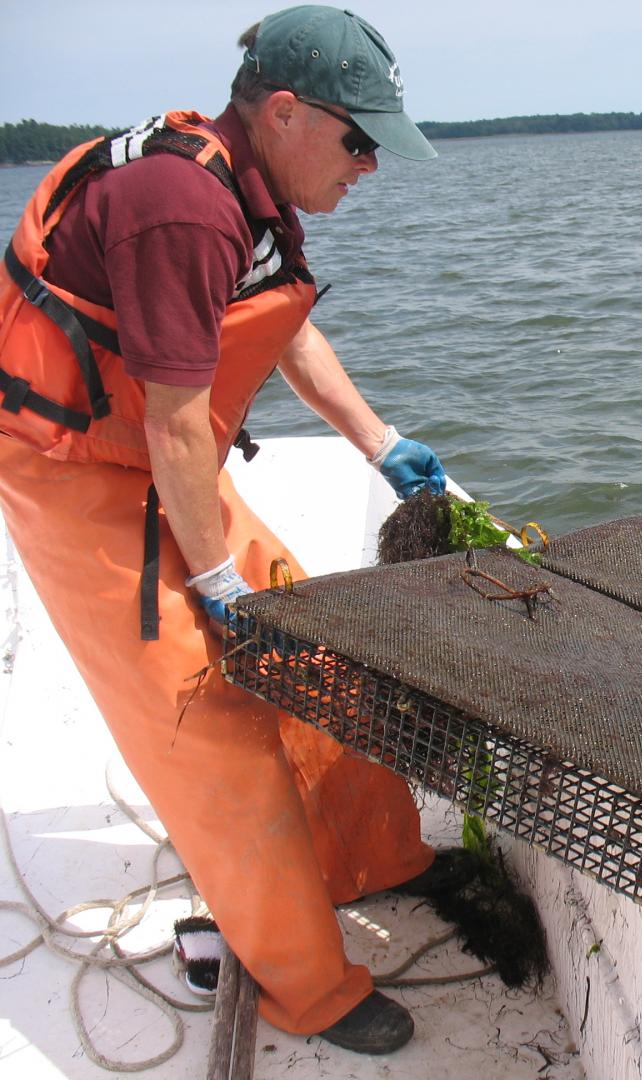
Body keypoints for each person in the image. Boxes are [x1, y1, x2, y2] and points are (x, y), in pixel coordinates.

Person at [0, 5, 466, 1056]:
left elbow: (282, 323)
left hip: (165, 461)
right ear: (289, 115)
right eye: (360, 142)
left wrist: (379, 442)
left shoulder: (243, 187)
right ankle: (309, 984)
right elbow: (172, 418)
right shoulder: (177, 208)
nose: (370, 168)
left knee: (316, 654)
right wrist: (215, 586)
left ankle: (380, 855)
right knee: (208, 723)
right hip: (77, 477)